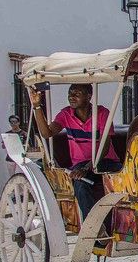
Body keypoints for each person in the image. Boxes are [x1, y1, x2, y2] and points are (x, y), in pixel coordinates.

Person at [28, 84, 121, 222]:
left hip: (105, 160)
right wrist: (37, 106)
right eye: (70, 93)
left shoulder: (102, 113)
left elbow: (105, 145)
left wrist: (87, 167)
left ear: (89, 96)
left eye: (77, 94)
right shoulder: (66, 114)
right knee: (81, 185)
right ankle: (93, 225)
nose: (71, 97)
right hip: (81, 163)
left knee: (127, 179)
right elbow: (47, 133)